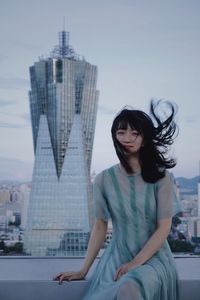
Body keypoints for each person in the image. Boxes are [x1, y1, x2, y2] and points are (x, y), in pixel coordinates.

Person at [53, 99, 181, 300]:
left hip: (154, 258)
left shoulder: (161, 177)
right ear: (114, 136)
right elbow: (100, 226)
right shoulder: (104, 179)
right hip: (116, 257)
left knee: (129, 287)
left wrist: (136, 263)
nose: (127, 138)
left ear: (144, 139)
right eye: (121, 132)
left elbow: (163, 228)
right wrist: (83, 270)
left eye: (134, 133)